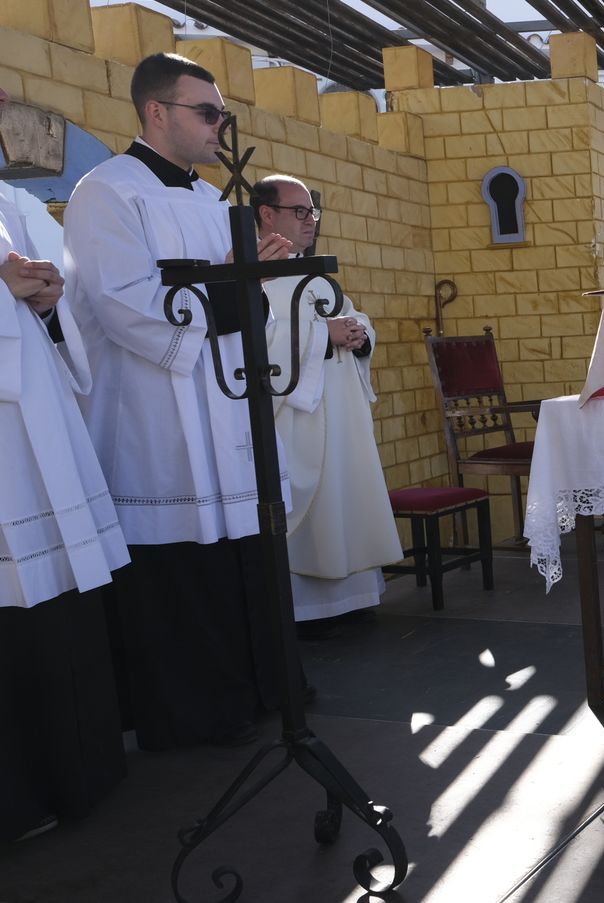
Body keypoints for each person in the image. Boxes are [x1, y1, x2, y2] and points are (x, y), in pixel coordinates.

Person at [63, 52, 298, 750]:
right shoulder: (106, 192)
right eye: (207, 112)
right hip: (155, 413)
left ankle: (259, 692)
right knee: (180, 571)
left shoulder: (208, 200)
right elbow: (121, 304)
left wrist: (253, 281)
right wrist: (231, 287)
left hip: (223, 404)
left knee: (240, 552)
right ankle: (193, 712)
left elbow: (240, 301)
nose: (219, 126)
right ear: (156, 112)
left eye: (223, 114)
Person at [1, 109, 129, 841]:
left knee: (56, 611)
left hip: (42, 434)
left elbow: (67, 316)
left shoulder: (14, 204)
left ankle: (81, 774)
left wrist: (48, 305)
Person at [253, 174, 401, 628]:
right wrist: (323, 336)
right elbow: (255, 341)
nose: (309, 221)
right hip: (298, 418)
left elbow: (351, 313)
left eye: (312, 212)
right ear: (266, 214)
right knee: (313, 510)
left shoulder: (309, 270)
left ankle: (355, 600)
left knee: (347, 495)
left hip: (341, 415)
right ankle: (312, 611)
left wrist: (359, 335)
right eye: (299, 211)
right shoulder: (250, 273)